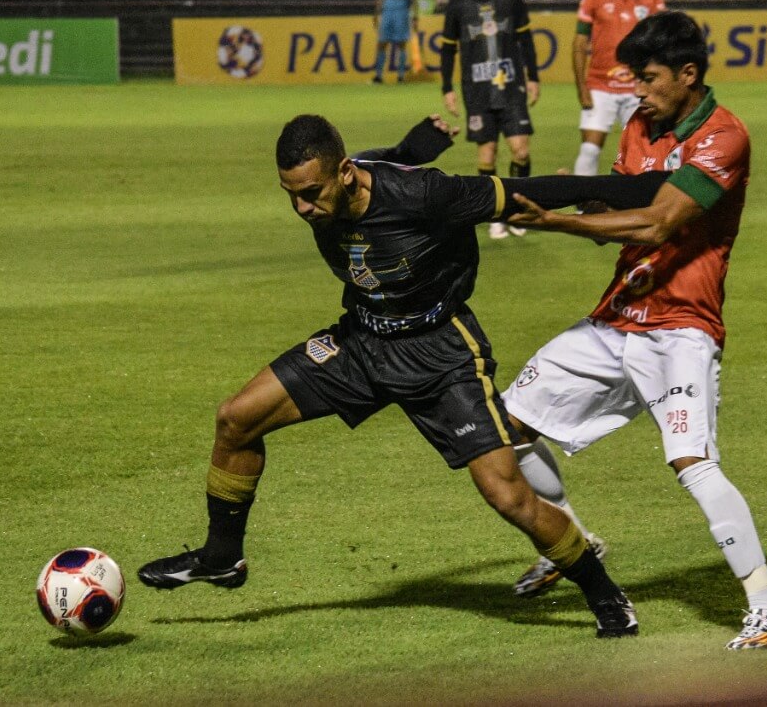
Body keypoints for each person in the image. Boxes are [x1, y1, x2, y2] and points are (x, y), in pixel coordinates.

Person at [136, 113, 677, 639]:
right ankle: (222, 556)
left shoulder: (429, 198)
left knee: (508, 497)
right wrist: (420, 144)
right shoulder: (345, 182)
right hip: (361, 342)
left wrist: (649, 188)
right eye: (292, 194)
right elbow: (389, 159)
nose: (303, 207)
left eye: (312, 191)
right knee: (236, 418)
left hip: (440, 353)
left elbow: (524, 191)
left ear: (343, 172)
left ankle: (604, 592)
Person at [502, 11, 767, 651]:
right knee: (507, 426)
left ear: (689, 75)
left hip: (681, 328)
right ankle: (570, 545)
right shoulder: (641, 125)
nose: (636, 90)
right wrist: (583, 198)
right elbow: (620, 199)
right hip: (617, 317)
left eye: (650, 78)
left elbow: (657, 224)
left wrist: (555, 221)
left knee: (692, 461)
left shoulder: (724, 137)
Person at [440, 0, 540, 240]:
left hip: (511, 88)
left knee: (520, 150)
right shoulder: (458, 7)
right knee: (487, 157)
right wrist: (447, 87)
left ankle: (516, 210)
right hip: (478, 92)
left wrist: (533, 77)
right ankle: (495, 213)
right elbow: (447, 50)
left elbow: (526, 42)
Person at [572, 0, 666, 176]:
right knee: (590, 150)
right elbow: (579, 44)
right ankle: (583, 211)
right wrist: (582, 87)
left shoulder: (653, 3)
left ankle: (636, 207)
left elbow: (661, 48)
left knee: (642, 151)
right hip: (600, 86)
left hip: (638, 88)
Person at [373, 0, 417, 84]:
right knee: (381, 43)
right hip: (386, 13)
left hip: (401, 13)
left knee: (401, 44)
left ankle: (401, 76)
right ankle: (378, 76)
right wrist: (376, 13)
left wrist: (415, 17)